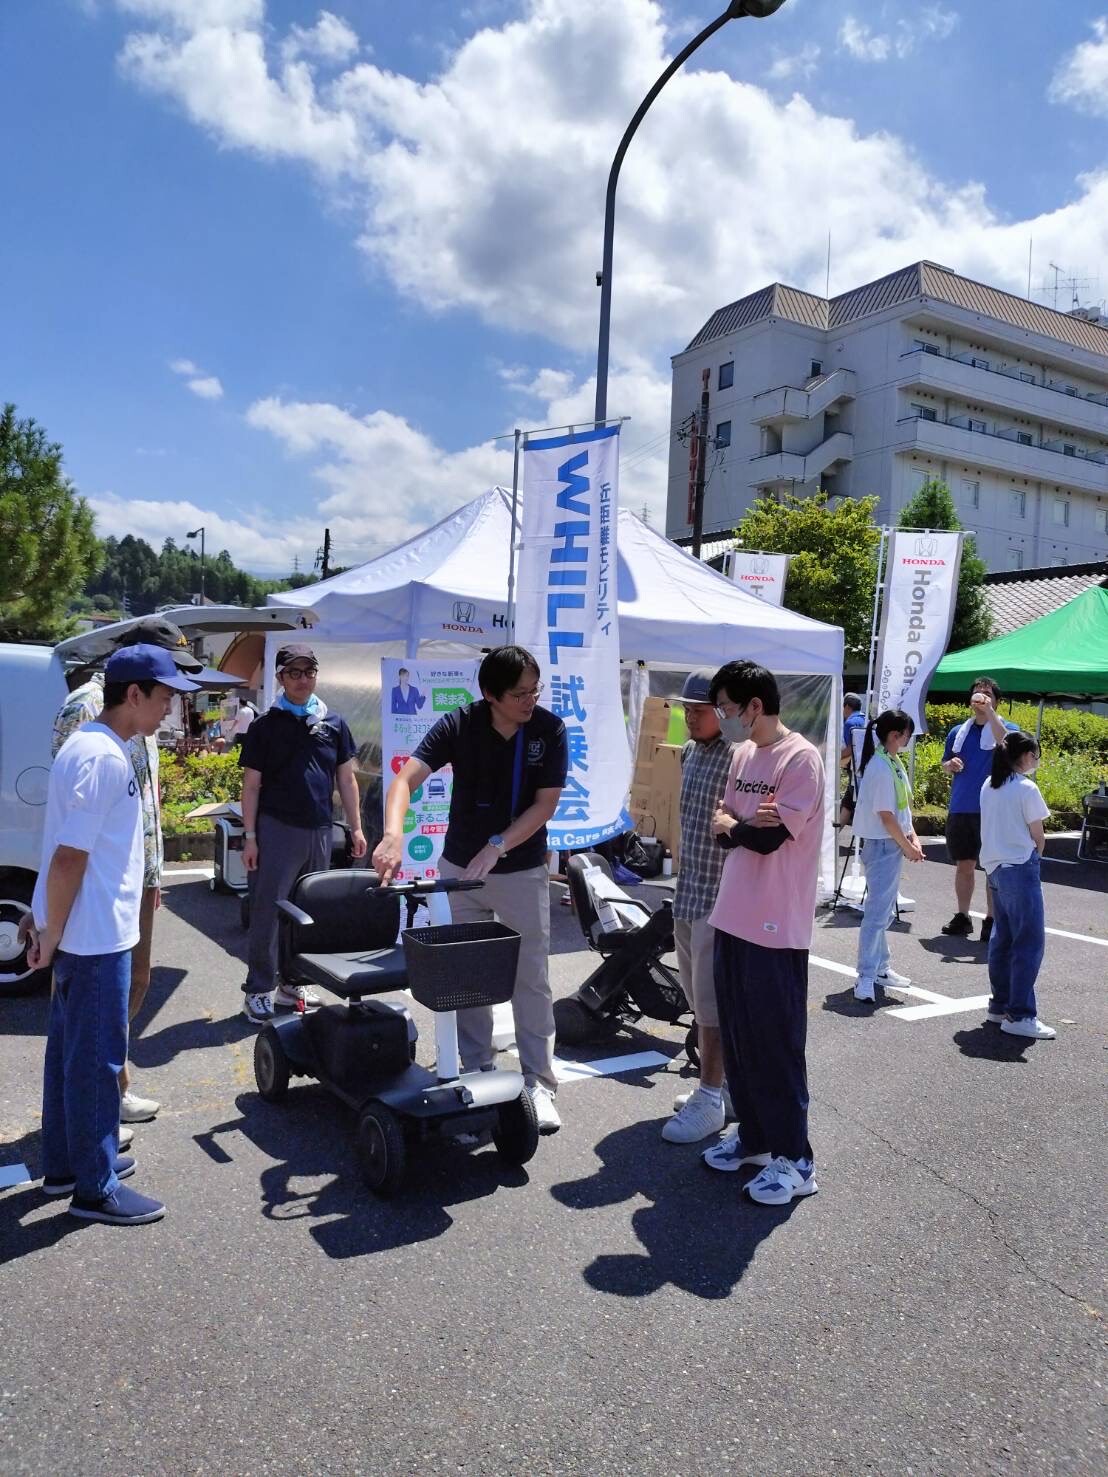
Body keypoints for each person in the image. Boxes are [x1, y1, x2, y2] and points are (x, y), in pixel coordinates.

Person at [23, 645, 201, 1224]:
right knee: (98, 1061)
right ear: (133, 694)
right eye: (165, 696)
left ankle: (65, 1166)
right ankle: (93, 1187)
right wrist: (47, 929)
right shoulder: (103, 757)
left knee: (69, 1056)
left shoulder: (94, 747)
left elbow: (58, 846)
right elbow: (70, 857)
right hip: (96, 934)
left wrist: (41, 917)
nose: (170, 708)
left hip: (85, 928)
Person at [372, 645, 568, 1134]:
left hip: (519, 869)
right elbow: (405, 780)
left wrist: (499, 845)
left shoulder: (547, 730)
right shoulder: (459, 724)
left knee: (529, 977)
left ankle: (538, 1081)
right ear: (489, 695)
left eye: (534, 690)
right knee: (466, 976)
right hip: (460, 868)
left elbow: (545, 805)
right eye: (519, 694)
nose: (530, 700)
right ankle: (479, 1072)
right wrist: (394, 833)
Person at [51, 615, 208, 1127]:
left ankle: (107, 1086)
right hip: (99, 881)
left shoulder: (144, 707)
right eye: (166, 682)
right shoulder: (89, 707)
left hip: (135, 871)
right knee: (93, 996)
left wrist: (153, 870)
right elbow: (76, 811)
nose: (171, 697)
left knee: (134, 981)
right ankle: (96, 1098)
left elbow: (144, 796)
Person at [702, 661, 825, 1206]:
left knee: (775, 1044)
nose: (723, 717)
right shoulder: (743, 756)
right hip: (733, 912)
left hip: (777, 923)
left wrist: (739, 827)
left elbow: (768, 840)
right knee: (739, 1036)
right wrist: (741, 827)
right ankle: (754, 1139)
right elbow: (728, 828)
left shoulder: (801, 759)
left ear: (755, 705)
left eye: (728, 707)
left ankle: (796, 1159)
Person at [239, 644, 367, 1022]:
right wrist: (249, 836)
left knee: (308, 911)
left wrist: (357, 827)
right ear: (279, 678)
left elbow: (347, 778)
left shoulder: (333, 723)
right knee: (268, 908)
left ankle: (292, 982)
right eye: (293, 673)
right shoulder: (265, 725)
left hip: (320, 829)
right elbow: (250, 786)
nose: (302, 679)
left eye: (308, 672)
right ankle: (259, 988)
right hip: (276, 829)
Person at [661, 672, 734, 1144]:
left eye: (698, 709)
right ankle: (720, 1089)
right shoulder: (689, 751)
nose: (688, 716)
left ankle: (710, 1096)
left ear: (723, 712)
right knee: (696, 998)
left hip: (720, 899)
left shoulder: (740, 757)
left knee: (711, 1004)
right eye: (685, 708)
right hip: (688, 891)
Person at [979, 732, 1055, 1040]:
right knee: (1028, 943)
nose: (1035, 760)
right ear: (1022, 757)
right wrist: (1036, 854)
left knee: (1003, 939)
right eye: (1033, 755)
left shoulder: (989, 785)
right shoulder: (1026, 788)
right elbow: (1038, 835)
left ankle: (1000, 1005)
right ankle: (1020, 1013)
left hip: (994, 868)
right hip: (1019, 867)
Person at [851, 710, 925, 1003]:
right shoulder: (883, 766)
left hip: (888, 843)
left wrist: (912, 837)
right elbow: (885, 815)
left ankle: (879, 968)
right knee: (877, 914)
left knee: (881, 912)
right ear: (896, 735)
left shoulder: (889, 760)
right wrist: (907, 844)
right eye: (907, 733)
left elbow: (900, 810)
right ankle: (866, 975)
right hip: (883, 844)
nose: (909, 738)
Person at [940, 677, 1018, 942]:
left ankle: (992, 918)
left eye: (987, 694)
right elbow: (945, 762)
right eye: (977, 693)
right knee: (964, 864)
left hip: (992, 809)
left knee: (992, 867)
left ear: (997, 701)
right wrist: (950, 764)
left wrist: (991, 713)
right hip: (961, 806)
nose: (981, 697)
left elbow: (1005, 743)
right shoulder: (958, 731)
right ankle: (962, 916)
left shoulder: (1006, 727)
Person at [838, 692, 866, 828]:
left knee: (853, 799)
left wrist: (834, 758)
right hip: (867, 767)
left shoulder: (850, 722)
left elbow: (850, 748)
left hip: (854, 767)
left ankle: (837, 834)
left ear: (847, 706)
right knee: (849, 799)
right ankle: (836, 833)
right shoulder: (867, 719)